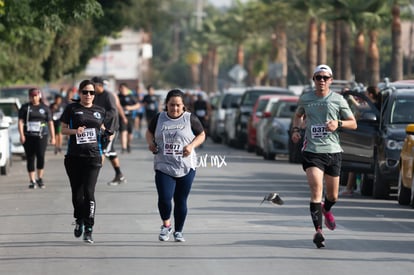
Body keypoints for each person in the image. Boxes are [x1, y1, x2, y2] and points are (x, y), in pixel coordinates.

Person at [291, 64, 357, 248]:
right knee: (316, 190)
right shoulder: (306, 99)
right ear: (313, 80)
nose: (321, 80)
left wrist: (338, 123)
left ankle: (326, 209)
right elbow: (298, 115)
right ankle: (318, 231)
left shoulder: (338, 100)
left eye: (325, 77)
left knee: (333, 195)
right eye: (318, 77)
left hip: (333, 151)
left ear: (331, 80)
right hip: (312, 151)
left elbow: (353, 123)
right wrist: (296, 129)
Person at [145, 89, 206, 242]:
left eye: (178, 105)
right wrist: (151, 143)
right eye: (172, 105)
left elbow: (202, 134)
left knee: (180, 200)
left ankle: (179, 231)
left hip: (186, 166)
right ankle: (166, 225)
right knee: (165, 198)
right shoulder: (159, 118)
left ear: (183, 105)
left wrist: (191, 146)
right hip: (163, 165)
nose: (175, 108)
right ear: (167, 105)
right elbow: (149, 132)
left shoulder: (190, 118)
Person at [61, 79, 110, 244]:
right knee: (77, 195)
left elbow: (101, 128)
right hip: (74, 157)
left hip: (94, 157)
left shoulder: (100, 110)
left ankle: (89, 228)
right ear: (79, 93)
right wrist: (76, 131)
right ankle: (79, 219)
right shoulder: (72, 108)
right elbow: (63, 129)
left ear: (95, 95)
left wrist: (107, 133)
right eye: (85, 92)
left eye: (91, 92)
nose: (88, 95)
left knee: (89, 192)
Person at [92, 76, 127, 185]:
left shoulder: (108, 96)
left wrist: (104, 123)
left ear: (99, 85)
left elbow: (113, 112)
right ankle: (119, 175)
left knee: (101, 152)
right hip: (100, 128)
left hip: (110, 129)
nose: (91, 87)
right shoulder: (95, 95)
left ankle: (91, 178)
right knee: (110, 152)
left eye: (93, 85)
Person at [18, 88, 55, 189]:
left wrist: (53, 137)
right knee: (30, 157)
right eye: (32, 96)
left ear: (39, 96)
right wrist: (21, 135)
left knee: (40, 156)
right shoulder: (25, 107)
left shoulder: (45, 108)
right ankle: (32, 180)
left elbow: (50, 123)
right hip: (29, 136)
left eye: (35, 95)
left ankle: (40, 178)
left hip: (41, 136)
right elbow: (20, 122)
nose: (34, 98)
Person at [118, 83, 141, 153]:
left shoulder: (131, 96)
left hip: (130, 117)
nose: (122, 90)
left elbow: (138, 105)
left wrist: (130, 108)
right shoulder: (118, 97)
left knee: (129, 133)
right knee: (123, 131)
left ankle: (128, 144)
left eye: (124, 88)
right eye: (121, 88)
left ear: (127, 89)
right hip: (121, 117)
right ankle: (123, 147)